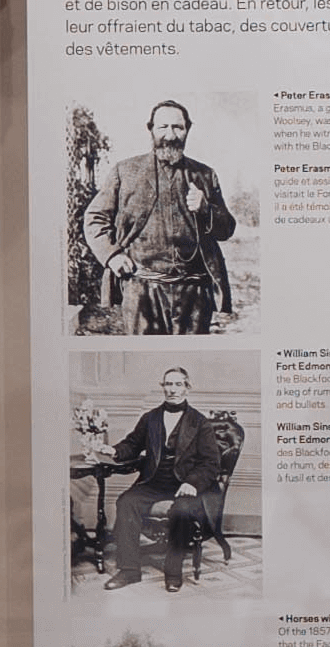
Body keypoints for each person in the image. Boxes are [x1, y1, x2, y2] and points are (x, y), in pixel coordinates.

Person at [90, 101, 241, 332]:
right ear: (150, 129)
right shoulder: (125, 171)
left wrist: (206, 209)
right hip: (141, 288)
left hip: (195, 291)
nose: (170, 135)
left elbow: (227, 229)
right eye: (163, 127)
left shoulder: (205, 175)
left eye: (178, 127)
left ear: (187, 130)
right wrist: (112, 256)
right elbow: (95, 218)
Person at [99, 371, 236, 590]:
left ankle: (173, 572)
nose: (172, 389)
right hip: (155, 481)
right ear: (163, 387)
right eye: (168, 384)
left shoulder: (200, 422)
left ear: (187, 388)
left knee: (182, 511)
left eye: (178, 384)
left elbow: (211, 463)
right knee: (126, 502)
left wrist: (192, 483)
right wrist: (113, 450)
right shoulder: (150, 418)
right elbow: (133, 444)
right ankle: (129, 571)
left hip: (186, 484)